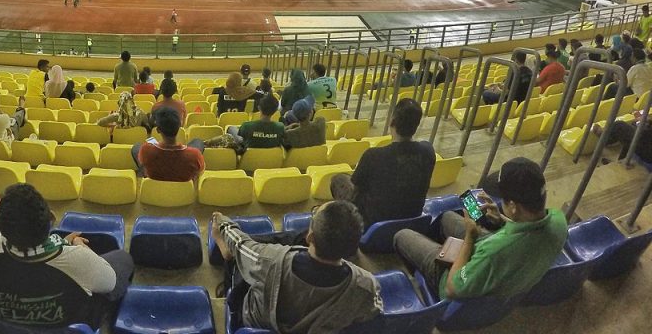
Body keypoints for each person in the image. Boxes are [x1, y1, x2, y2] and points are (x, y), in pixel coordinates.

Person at [394, 157, 567, 300]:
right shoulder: (559, 221)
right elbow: (526, 233)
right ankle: (440, 251)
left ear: (514, 206)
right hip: (509, 255)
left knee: (402, 235)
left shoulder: (495, 252)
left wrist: (470, 237)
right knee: (447, 217)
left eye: (504, 198)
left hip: (459, 277)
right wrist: (503, 221)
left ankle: (427, 279)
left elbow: (453, 288)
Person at [211, 202, 381, 334]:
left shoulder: (271, 260)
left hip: (258, 321)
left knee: (238, 261)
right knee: (291, 239)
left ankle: (229, 265)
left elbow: (240, 244)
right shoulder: (366, 285)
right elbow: (370, 315)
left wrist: (224, 223)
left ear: (311, 236)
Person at [0, 183, 134, 328]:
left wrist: (62, 245)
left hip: (11, 326)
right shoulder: (78, 260)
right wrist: (80, 248)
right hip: (68, 324)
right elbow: (110, 283)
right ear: (52, 219)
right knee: (123, 258)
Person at [330, 98, 435, 227]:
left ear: (392, 121)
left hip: (373, 224)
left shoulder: (373, 155)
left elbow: (356, 189)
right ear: (416, 125)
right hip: (413, 216)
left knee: (339, 180)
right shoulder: (428, 151)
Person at [133, 109, 205, 181]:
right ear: (179, 127)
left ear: (158, 129)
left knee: (137, 146)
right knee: (198, 142)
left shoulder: (146, 150)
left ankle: (144, 174)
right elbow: (201, 171)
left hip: (154, 180)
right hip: (184, 187)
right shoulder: (194, 154)